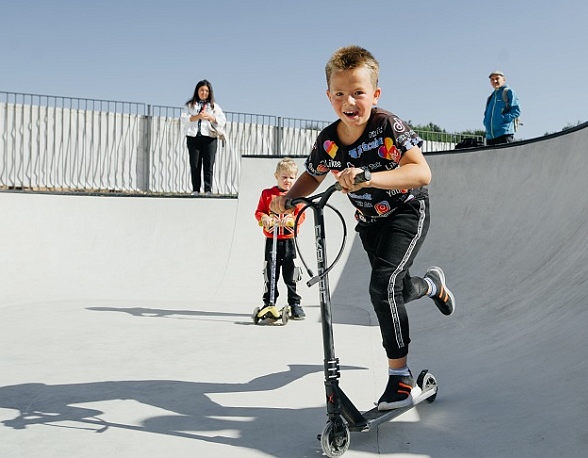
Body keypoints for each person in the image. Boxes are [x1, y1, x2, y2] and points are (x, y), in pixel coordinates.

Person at [270, 45, 455, 411]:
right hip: (369, 223)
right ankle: (433, 285)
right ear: (328, 96)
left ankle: (399, 380)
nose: (349, 101)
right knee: (395, 290)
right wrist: (289, 198)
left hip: (407, 210)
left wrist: (369, 176)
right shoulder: (329, 140)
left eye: (358, 92)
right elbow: (312, 175)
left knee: (381, 287)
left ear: (375, 94)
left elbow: (422, 172)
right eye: (339, 94)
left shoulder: (387, 126)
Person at [255, 158, 307, 319]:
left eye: (291, 178)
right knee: (270, 271)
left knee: (291, 273)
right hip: (272, 240)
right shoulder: (267, 194)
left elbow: (301, 215)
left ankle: (294, 303)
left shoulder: (296, 196)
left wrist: (291, 220)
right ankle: (269, 302)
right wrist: (264, 218)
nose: (288, 181)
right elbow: (259, 212)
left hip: (289, 240)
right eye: (284, 177)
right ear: (276, 176)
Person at [180, 79, 227, 194]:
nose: (204, 93)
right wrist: (197, 117)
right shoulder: (189, 105)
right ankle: (195, 189)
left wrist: (210, 117)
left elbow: (222, 120)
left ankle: (208, 189)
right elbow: (184, 119)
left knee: (208, 163)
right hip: (193, 137)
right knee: (195, 164)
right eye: (202, 90)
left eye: (206, 91)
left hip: (210, 137)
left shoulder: (214, 106)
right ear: (197, 91)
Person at [483, 70, 521, 145]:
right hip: (490, 137)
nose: (495, 81)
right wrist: (485, 122)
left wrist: (503, 119)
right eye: (492, 79)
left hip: (504, 134)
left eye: (497, 78)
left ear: (503, 79)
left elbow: (516, 111)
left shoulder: (508, 92)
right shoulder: (491, 97)